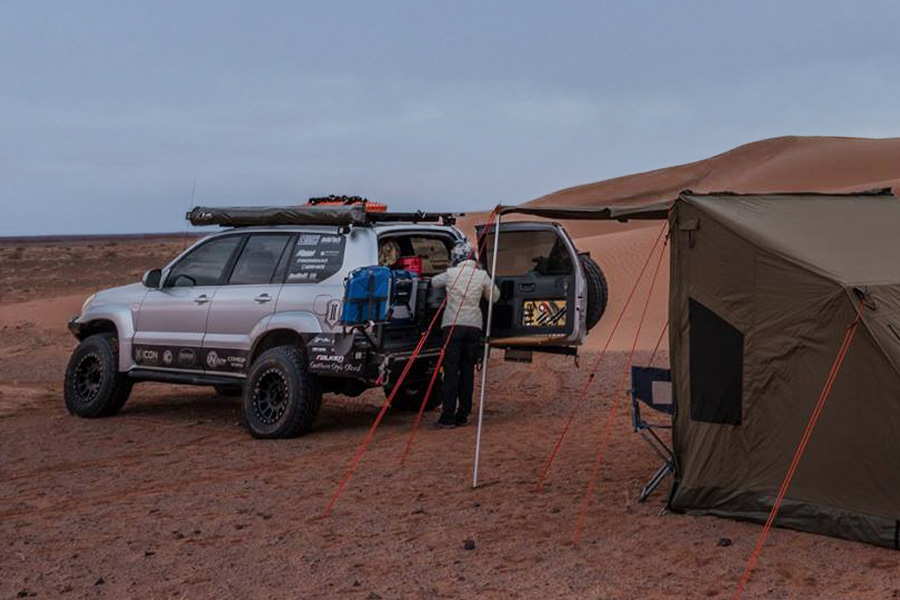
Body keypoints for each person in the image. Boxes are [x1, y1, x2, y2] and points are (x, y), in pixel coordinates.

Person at [430, 239, 500, 428]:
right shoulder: (482, 275)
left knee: (451, 372)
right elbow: (495, 296)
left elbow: (434, 282)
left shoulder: (451, 273)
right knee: (467, 371)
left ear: (456, 258)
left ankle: (447, 416)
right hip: (474, 328)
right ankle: (463, 414)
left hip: (453, 326)